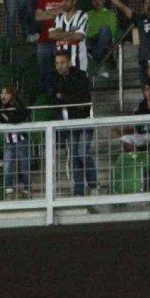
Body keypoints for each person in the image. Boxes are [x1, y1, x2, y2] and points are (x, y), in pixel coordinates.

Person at [100, 0, 150, 82]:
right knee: (146, 92)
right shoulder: (140, 19)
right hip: (144, 63)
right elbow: (122, 7)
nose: (148, 6)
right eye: (146, 3)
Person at [52, 52, 96, 196]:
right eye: (57, 63)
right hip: (67, 123)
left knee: (82, 152)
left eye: (62, 63)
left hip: (83, 121)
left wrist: (64, 97)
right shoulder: (54, 79)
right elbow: (52, 98)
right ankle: (79, 189)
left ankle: (93, 184)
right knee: (74, 157)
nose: (59, 66)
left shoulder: (80, 76)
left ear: (69, 63)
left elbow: (82, 100)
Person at [34, 0, 69, 93]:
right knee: (43, 69)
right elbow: (38, 17)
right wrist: (57, 12)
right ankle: (45, 93)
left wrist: (47, 13)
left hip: (60, 39)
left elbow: (67, 13)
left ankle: (60, 92)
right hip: (44, 39)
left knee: (60, 69)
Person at [84, 0, 117, 78]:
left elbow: (112, 31)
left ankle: (94, 57)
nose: (97, 2)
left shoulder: (111, 14)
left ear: (104, 0)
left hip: (104, 39)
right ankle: (96, 57)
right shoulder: (87, 14)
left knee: (105, 29)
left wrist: (113, 42)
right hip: (90, 41)